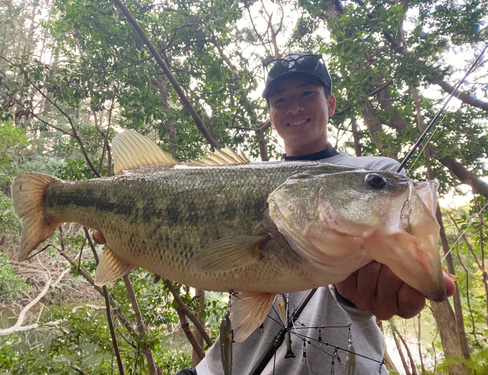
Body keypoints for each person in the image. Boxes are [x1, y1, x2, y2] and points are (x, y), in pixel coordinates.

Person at [94, 53, 456, 374]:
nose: (294, 108)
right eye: (281, 100)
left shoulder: (373, 169)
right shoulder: (244, 176)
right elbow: (223, 270)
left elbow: (394, 273)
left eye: (306, 95)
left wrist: (364, 289)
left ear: (330, 104)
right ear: (270, 115)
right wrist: (132, 240)